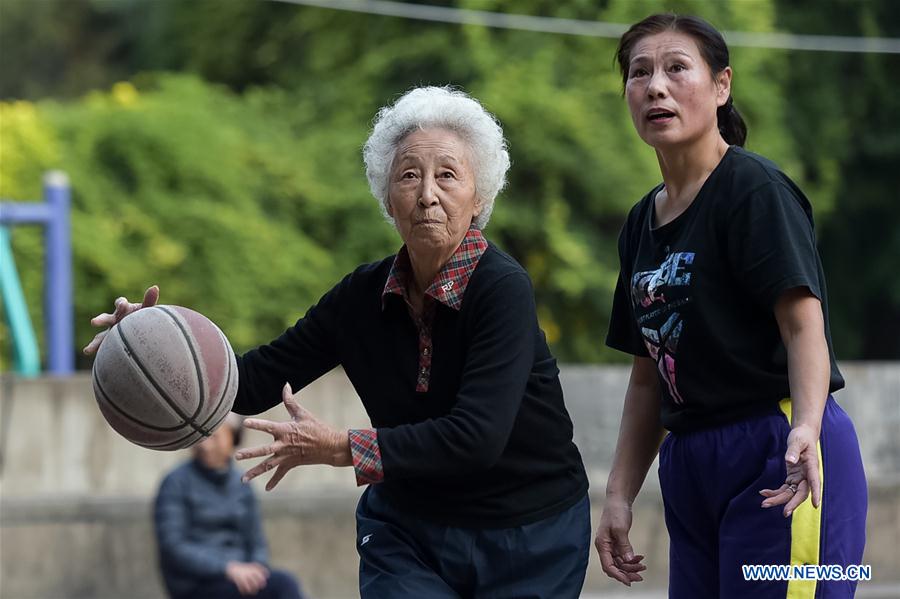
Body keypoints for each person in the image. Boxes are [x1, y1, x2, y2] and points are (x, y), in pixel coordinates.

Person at [87, 86, 591, 598]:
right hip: (409, 527)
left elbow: (476, 437)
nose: (427, 195)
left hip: (528, 532)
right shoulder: (360, 297)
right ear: (387, 198)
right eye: (409, 175)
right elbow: (252, 380)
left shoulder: (502, 288)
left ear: (478, 196)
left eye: (447, 176)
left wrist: (344, 448)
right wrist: (149, 342)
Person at [594, 13, 867, 599]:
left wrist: (806, 430)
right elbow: (648, 377)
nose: (655, 87)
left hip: (778, 452)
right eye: (639, 73)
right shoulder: (641, 222)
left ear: (721, 87)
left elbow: (804, 329)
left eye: (675, 69)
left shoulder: (754, 191)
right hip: (691, 461)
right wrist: (618, 494)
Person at [153, 413, 305, 599]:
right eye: (202, 438)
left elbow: (256, 541)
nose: (205, 445)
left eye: (214, 437)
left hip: (240, 578)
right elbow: (173, 546)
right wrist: (227, 568)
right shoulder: (175, 482)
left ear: (233, 439)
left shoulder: (242, 483)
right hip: (197, 583)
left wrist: (256, 569)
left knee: (284, 583)